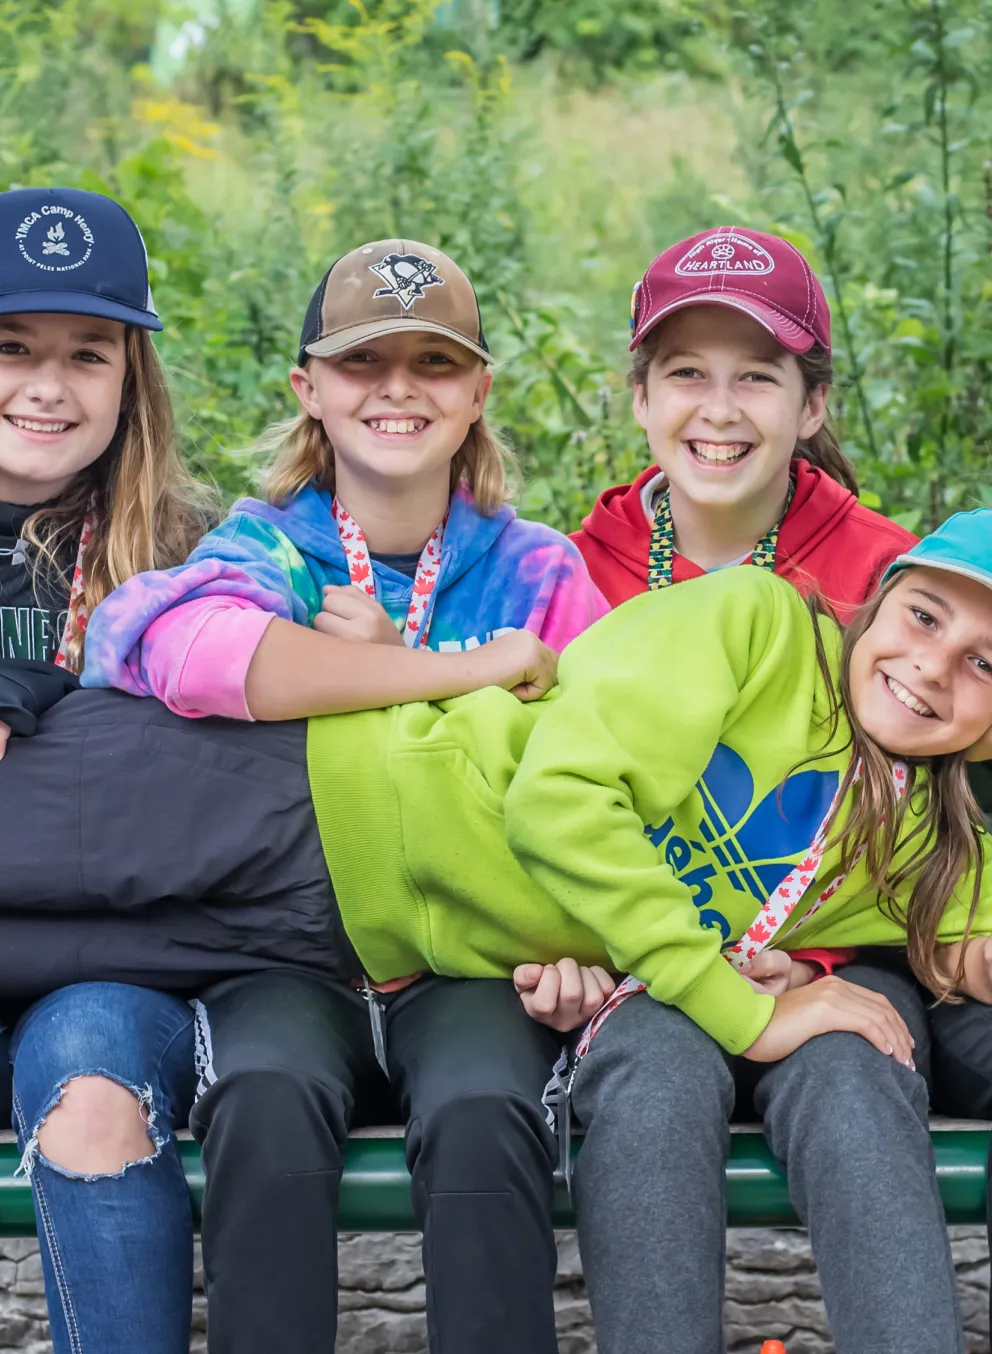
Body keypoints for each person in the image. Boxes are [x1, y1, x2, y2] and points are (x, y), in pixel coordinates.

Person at [0, 511, 990, 1352]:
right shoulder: (758, 620)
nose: (929, 664)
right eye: (920, 613)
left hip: (326, 937)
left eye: (981, 661)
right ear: (883, 593)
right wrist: (741, 1007)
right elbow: (559, 801)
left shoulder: (924, 850)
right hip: (286, 787)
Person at [77, 237, 607, 1354]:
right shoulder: (269, 547)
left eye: (433, 362)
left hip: (471, 958)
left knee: (479, 1107)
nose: (398, 390)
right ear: (309, 391)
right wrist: (463, 670)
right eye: (364, 364)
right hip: (290, 957)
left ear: (476, 394)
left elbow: (600, 769)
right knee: (262, 1096)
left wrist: (586, 948)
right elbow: (171, 649)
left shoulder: (541, 573)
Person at [0, 186, 214, 1354]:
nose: (48, 384)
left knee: (89, 1082)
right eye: (11, 346)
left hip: (104, 971)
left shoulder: (190, 551)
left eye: (88, 352)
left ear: (131, 379)